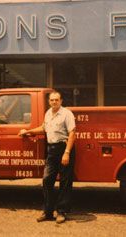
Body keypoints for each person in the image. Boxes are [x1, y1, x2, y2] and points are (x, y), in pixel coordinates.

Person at [19, 91, 76, 224]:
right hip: (51, 150)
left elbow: (72, 133)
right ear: (49, 102)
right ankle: (48, 212)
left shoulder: (67, 114)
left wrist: (67, 152)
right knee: (47, 180)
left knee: (65, 182)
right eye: (52, 100)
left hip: (64, 148)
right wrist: (28, 131)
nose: (54, 102)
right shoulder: (48, 113)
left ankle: (61, 212)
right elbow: (44, 128)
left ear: (61, 101)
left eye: (56, 100)